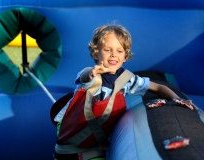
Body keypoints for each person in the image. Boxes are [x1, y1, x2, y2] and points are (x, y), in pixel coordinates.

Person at [53, 24, 194, 160]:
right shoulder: (92, 77)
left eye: (119, 51)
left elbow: (157, 87)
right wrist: (92, 72)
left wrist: (178, 99)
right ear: (96, 54)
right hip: (71, 146)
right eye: (107, 50)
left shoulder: (126, 79)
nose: (114, 55)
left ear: (125, 56)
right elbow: (85, 77)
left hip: (96, 148)